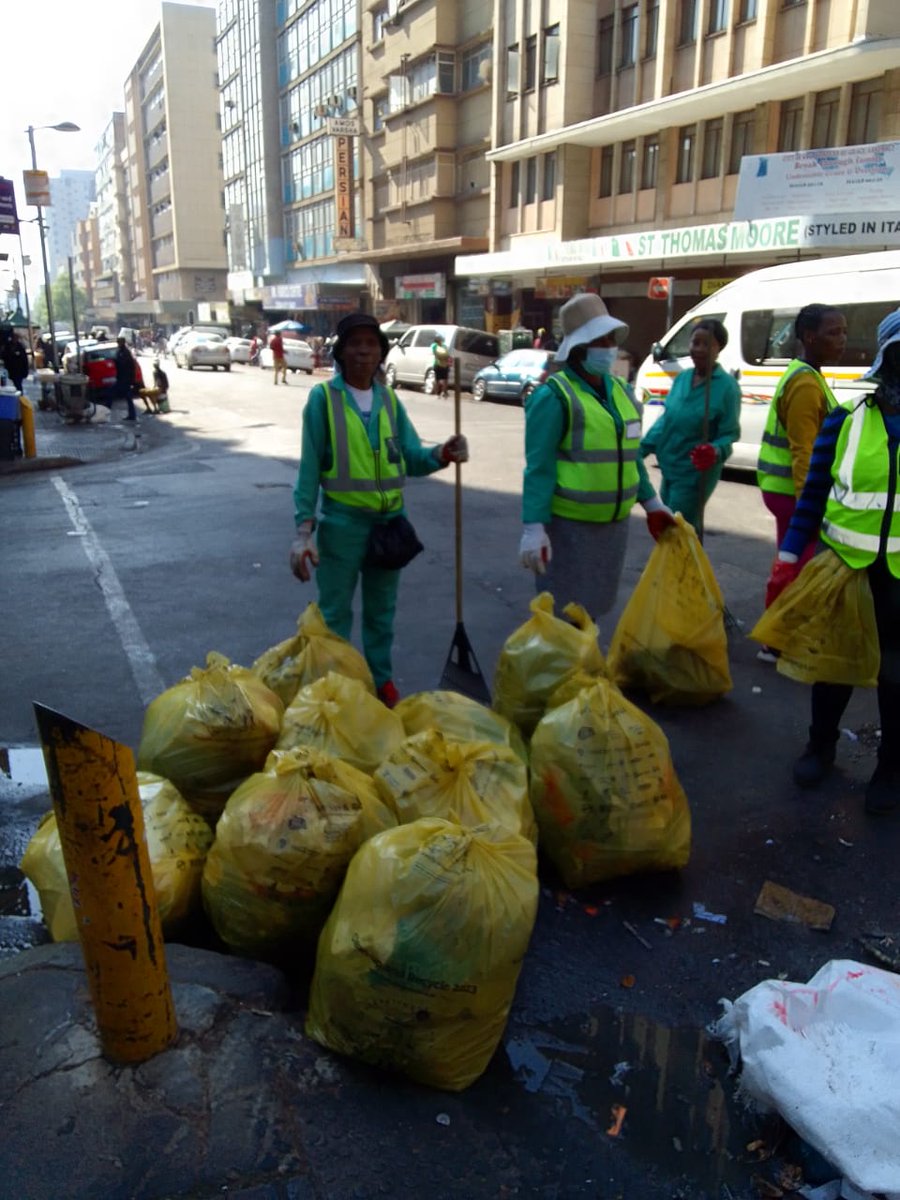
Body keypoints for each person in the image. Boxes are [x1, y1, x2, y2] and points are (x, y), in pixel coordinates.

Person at [289, 311, 469, 708]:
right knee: (334, 616)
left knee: (380, 616)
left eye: (371, 344)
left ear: (381, 352)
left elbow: (409, 456)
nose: (363, 352)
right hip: (342, 525)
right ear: (341, 352)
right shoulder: (323, 400)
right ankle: (335, 689)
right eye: (355, 344)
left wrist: (442, 454)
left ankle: (380, 685)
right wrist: (303, 533)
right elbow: (308, 470)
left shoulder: (388, 400)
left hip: (389, 527)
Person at [766, 307, 900, 812]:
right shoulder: (847, 418)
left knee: (896, 677)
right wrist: (786, 558)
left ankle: (890, 770)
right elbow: (814, 494)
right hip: (847, 568)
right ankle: (819, 748)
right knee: (835, 669)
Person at [519, 292, 676, 620]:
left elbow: (628, 456)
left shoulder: (621, 391)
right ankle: (564, 671)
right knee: (563, 616)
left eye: (610, 339)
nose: (608, 347)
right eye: (598, 340)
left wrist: (652, 504)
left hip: (612, 529)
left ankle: (582, 668)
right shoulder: (554, 396)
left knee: (595, 610)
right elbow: (539, 468)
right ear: (578, 348)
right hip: (569, 530)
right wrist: (533, 528)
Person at [756, 303, 847, 662]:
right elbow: (803, 453)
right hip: (793, 495)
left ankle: (779, 637)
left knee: (794, 566)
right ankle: (777, 642)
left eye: (842, 331)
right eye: (832, 333)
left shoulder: (806, 375)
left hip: (789, 493)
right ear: (809, 337)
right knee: (799, 569)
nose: (842, 340)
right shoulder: (807, 383)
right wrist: (811, 510)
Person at [640, 318, 741, 530]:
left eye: (707, 344)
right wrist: (641, 449)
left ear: (719, 348)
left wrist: (714, 450)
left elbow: (729, 434)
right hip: (669, 467)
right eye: (696, 343)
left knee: (676, 530)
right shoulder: (682, 379)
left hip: (695, 474)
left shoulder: (727, 387)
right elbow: (667, 420)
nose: (700, 349)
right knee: (669, 531)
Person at [113, 336, 138, 422]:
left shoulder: (125, 352)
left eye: (119, 342)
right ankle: (131, 415)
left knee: (128, 398)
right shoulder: (120, 351)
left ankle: (132, 415)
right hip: (121, 378)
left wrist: (131, 380)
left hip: (126, 378)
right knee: (126, 397)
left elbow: (128, 366)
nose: (118, 344)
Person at [0, 326, 29, 392]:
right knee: (16, 384)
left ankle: (20, 397)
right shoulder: (8, 346)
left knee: (18, 384)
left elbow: (24, 359)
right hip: (11, 369)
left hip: (18, 370)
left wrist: (25, 370)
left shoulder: (20, 347)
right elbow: (4, 356)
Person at [431, 333, 451, 398]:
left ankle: (437, 394)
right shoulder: (444, 346)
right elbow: (447, 355)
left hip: (437, 364)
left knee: (437, 379)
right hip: (445, 364)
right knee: (445, 379)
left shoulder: (434, 346)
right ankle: (444, 392)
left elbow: (434, 353)